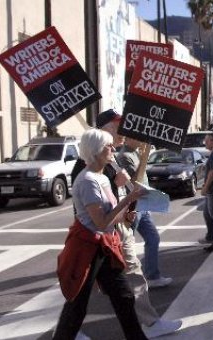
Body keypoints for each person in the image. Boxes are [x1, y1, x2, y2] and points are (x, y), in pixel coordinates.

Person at [68, 110, 182, 339]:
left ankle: (71, 331)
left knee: (108, 287)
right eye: (120, 126)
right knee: (119, 280)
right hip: (101, 233)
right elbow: (95, 208)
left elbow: (113, 196)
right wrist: (126, 202)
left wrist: (127, 212)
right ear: (106, 130)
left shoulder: (110, 158)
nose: (125, 131)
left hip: (110, 231)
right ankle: (148, 324)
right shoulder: (87, 168)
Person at [54, 129, 148, 339]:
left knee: (124, 297)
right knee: (76, 307)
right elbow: (100, 222)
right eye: (108, 146)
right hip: (88, 249)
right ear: (95, 151)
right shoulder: (87, 180)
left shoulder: (102, 177)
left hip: (105, 247)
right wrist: (128, 198)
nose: (113, 148)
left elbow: (109, 215)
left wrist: (125, 216)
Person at [117, 137, 173, 288]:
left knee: (153, 237)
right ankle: (121, 280)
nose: (141, 140)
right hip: (133, 205)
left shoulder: (134, 153)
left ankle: (152, 276)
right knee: (126, 243)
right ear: (129, 138)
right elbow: (132, 183)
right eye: (138, 137)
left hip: (143, 204)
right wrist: (143, 159)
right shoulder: (124, 156)